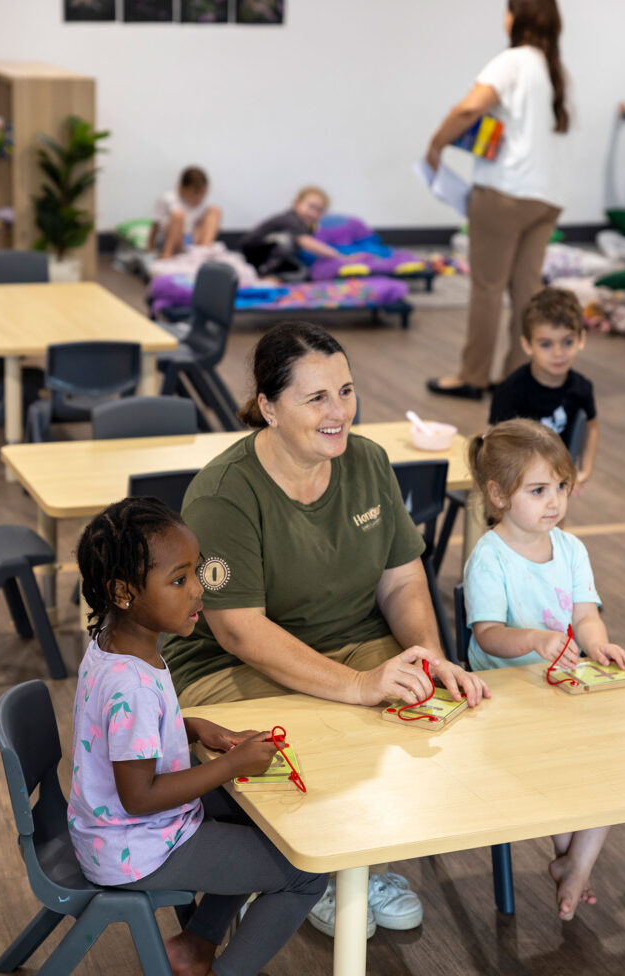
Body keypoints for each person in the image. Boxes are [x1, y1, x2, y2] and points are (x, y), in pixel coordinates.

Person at [161, 320, 489, 939]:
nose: (338, 411)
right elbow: (240, 633)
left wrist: (424, 655)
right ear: (268, 408)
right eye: (316, 398)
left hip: (351, 640)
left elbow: (402, 581)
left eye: (345, 390)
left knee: (425, 706)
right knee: (328, 726)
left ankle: (366, 862)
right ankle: (321, 872)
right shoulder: (225, 492)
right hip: (230, 669)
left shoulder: (367, 461)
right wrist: (360, 685)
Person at [70, 497, 328, 976]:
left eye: (196, 572)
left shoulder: (116, 644)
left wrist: (192, 727)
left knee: (259, 817)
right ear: (125, 593)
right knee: (305, 873)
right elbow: (140, 796)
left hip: (119, 834)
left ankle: (194, 946)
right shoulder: (133, 682)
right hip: (139, 847)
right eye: (179, 580)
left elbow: (124, 738)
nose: (198, 591)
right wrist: (227, 766)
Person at [464, 419, 625, 920]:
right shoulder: (489, 558)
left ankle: (572, 863)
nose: (555, 501)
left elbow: (585, 616)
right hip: (506, 695)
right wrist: (537, 640)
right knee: (565, 769)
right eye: (538, 490)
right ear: (498, 495)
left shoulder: (572, 548)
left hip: (562, 688)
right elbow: (487, 634)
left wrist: (598, 646)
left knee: (618, 757)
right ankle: (575, 864)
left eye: (561, 486)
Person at [425, 0, 569, 399]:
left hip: (505, 194)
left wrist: (436, 144)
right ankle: (520, 376)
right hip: (547, 198)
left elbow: (470, 107)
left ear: (517, 17)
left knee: (487, 288)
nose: (503, 18)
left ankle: (471, 377)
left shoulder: (513, 61)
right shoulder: (554, 69)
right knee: (527, 290)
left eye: (507, 11)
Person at [489, 287, 598, 495]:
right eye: (546, 344)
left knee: (555, 525)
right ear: (527, 345)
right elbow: (495, 446)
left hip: (557, 484)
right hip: (515, 488)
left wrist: (584, 471)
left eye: (567, 342)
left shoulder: (582, 388)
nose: (558, 353)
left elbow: (592, 428)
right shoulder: (510, 391)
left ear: (581, 339)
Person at [239, 186, 347, 279]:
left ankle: (273, 277)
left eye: (319, 211)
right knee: (285, 240)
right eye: (311, 207)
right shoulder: (292, 219)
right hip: (253, 252)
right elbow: (306, 242)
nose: (313, 213)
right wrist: (338, 256)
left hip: (271, 256)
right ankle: (262, 274)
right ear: (297, 204)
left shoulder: (307, 226)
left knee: (302, 272)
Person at [148, 166, 222, 259]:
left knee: (214, 210)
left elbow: (202, 224)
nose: (199, 198)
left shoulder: (200, 203)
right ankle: (167, 253)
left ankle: (204, 250)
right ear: (182, 188)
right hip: (173, 240)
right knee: (178, 215)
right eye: (195, 194)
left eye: (203, 193)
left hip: (190, 239)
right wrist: (150, 247)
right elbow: (156, 224)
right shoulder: (168, 198)